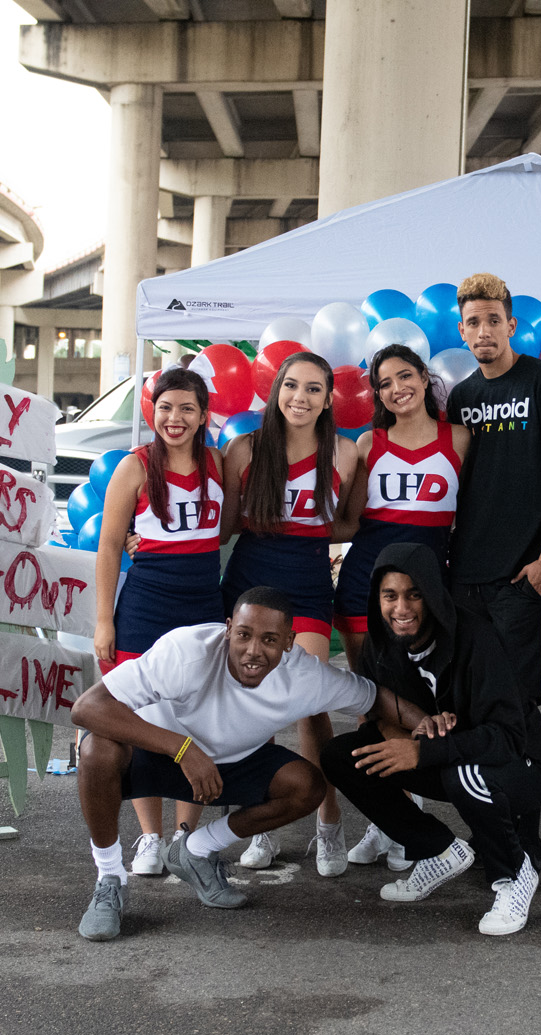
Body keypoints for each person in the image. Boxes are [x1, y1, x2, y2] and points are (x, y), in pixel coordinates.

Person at [71, 587, 377, 942]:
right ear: (228, 628)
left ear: (289, 642)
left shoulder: (305, 675)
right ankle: (109, 880)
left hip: (225, 769)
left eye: (269, 639)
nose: (253, 650)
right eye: (244, 635)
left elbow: (374, 698)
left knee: (305, 785)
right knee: (96, 751)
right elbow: (87, 708)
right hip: (159, 754)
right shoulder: (187, 650)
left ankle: (194, 851)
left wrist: (427, 723)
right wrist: (182, 749)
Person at [320, 543, 541, 936]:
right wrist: (409, 735)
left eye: (415, 594)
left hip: (523, 767)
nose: (402, 608)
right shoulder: (380, 645)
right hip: (451, 760)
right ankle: (437, 850)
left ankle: (515, 875)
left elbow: (508, 738)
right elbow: (378, 716)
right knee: (347, 755)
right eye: (390, 595)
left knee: (465, 773)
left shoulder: (475, 637)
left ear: (433, 592)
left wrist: (423, 750)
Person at [220, 351, 360, 875]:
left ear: (328, 400)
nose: (300, 398)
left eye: (314, 390)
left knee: (308, 702)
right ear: (276, 390)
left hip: (307, 585)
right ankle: (258, 823)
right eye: (292, 386)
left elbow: (347, 524)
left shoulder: (344, 453)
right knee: (243, 706)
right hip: (250, 585)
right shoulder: (244, 449)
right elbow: (226, 526)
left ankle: (329, 825)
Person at [331, 343, 468, 872]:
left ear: (425, 379)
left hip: (429, 588)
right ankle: (391, 821)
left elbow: (477, 516)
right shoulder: (371, 442)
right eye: (385, 383)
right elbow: (346, 522)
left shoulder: (458, 438)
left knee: (421, 697)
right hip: (368, 580)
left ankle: (414, 820)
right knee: (374, 698)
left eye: (404, 376)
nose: (396, 388)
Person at [92, 367, 223, 877]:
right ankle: (148, 836)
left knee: (196, 715)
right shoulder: (135, 467)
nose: (175, 418)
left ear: (203, 415)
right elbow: (107, 545)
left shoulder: (215, 462)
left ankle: (187, 836)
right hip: (146, 605)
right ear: (153, 411)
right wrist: (104, 620)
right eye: (166, 407)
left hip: (202, 605)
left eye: (187, 408)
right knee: (141, 720)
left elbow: (225, 526)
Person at [447, 272, 541, 706]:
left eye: (493, 320)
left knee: (519, 702)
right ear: (461, 330)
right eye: (473, 322)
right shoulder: (461, 398)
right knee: (472, 697)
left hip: (521, 576)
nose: (483, 331)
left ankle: (530, 774)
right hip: (465, 578)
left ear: (511, 326)